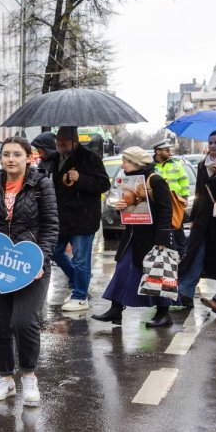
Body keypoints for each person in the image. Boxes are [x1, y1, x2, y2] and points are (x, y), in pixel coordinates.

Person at [0, 137, 58, 406]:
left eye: (17, 154)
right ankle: (6, 379)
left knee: (24, 322)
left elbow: (50, 226)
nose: (10, 159)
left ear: (29, 157)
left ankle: (29, 377)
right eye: (6, 154)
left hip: (30, 266)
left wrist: (40, 261)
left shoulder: (41, 185)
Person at [92, 148, 177, 328]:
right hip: (132, 235)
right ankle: (115, 309)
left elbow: (165, 209)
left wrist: (162, 238)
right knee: (122, 268)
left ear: (137, 163)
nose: (123, 165)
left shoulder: (155, 180)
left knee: (156, 273)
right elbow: (125, 207)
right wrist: (120, 206)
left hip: (152, 238)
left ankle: (164, 314)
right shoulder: (129, 181)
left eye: (126, 161)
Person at [47, 126, 111, 312]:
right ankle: (79, 280)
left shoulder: (91, 158)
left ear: (75, 140)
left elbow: (103, 184)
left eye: (64, 140)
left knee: (81, 258)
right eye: (58, 140)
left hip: (83, 217)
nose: (60, 143)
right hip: (61, 217)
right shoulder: (55, 158)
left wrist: (80, 178)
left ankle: (80, 296)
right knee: (55, 251)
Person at [177, 130, 216, 313]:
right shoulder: (203, 164)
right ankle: (185, 294)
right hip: (204, 218)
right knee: (195, 254)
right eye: (210, 142)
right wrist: (193, 218)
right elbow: (199, 193)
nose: (213, 145)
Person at [152, 139, 190, 253]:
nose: (169, 152)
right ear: (158, 151)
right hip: (159, 203)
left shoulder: (176, 163)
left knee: (178, 229)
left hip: (175, 201)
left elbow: (184, 181)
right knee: (163, 229)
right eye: (166, 150)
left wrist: (184, 198)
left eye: (169, 150)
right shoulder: (151, 166)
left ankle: (182, 255)